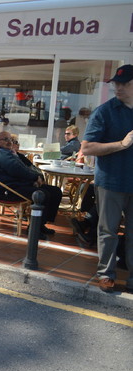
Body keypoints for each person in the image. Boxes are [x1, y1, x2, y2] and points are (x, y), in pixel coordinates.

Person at [80, 64, 133, 293]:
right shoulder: (104, 111)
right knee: (108, 231)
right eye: (116, 84)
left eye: (125, 84)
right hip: (111, 182)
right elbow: (87, 147)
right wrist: (121, 144)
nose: (118, 88)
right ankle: (106, 274)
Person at [0, 131, 63, 239]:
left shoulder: (8, 153)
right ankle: (34, 228)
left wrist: (36, 178)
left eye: (11, 140)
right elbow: (16, 170)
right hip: (9, 190)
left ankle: (41, 224)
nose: (9, 142)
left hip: (18, 185)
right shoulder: (0, 153)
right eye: (6, 139)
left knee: (55, 191)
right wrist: (35, 178)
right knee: (43, 194)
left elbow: (25, 168)